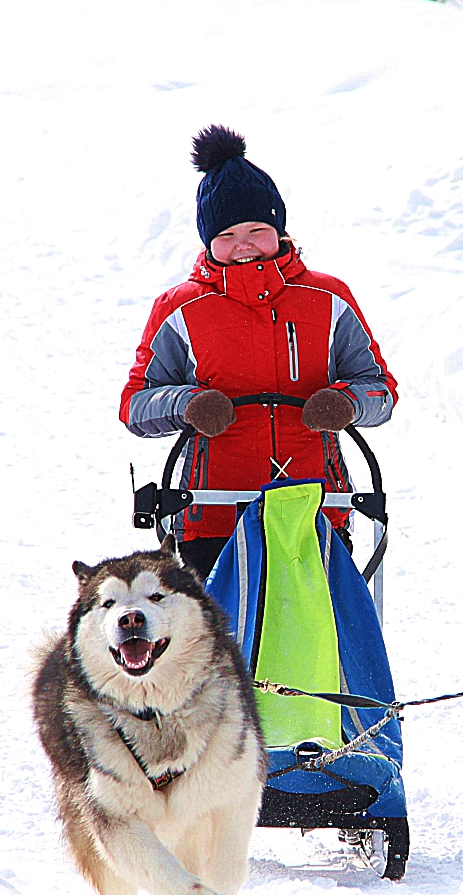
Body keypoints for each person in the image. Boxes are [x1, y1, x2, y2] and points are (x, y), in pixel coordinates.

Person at [120, 125, 398, 580]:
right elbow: (135, 407)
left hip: (317, 510)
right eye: (227, 233)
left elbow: (381, 391)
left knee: (316, 645)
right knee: (224, 648)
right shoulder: (180, 309)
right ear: (207, 240)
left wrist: (345, 402)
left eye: (256, 229)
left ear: (279, 229)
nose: (244, 244)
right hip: (211, 518)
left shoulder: (328, 299)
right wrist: (189, 404)